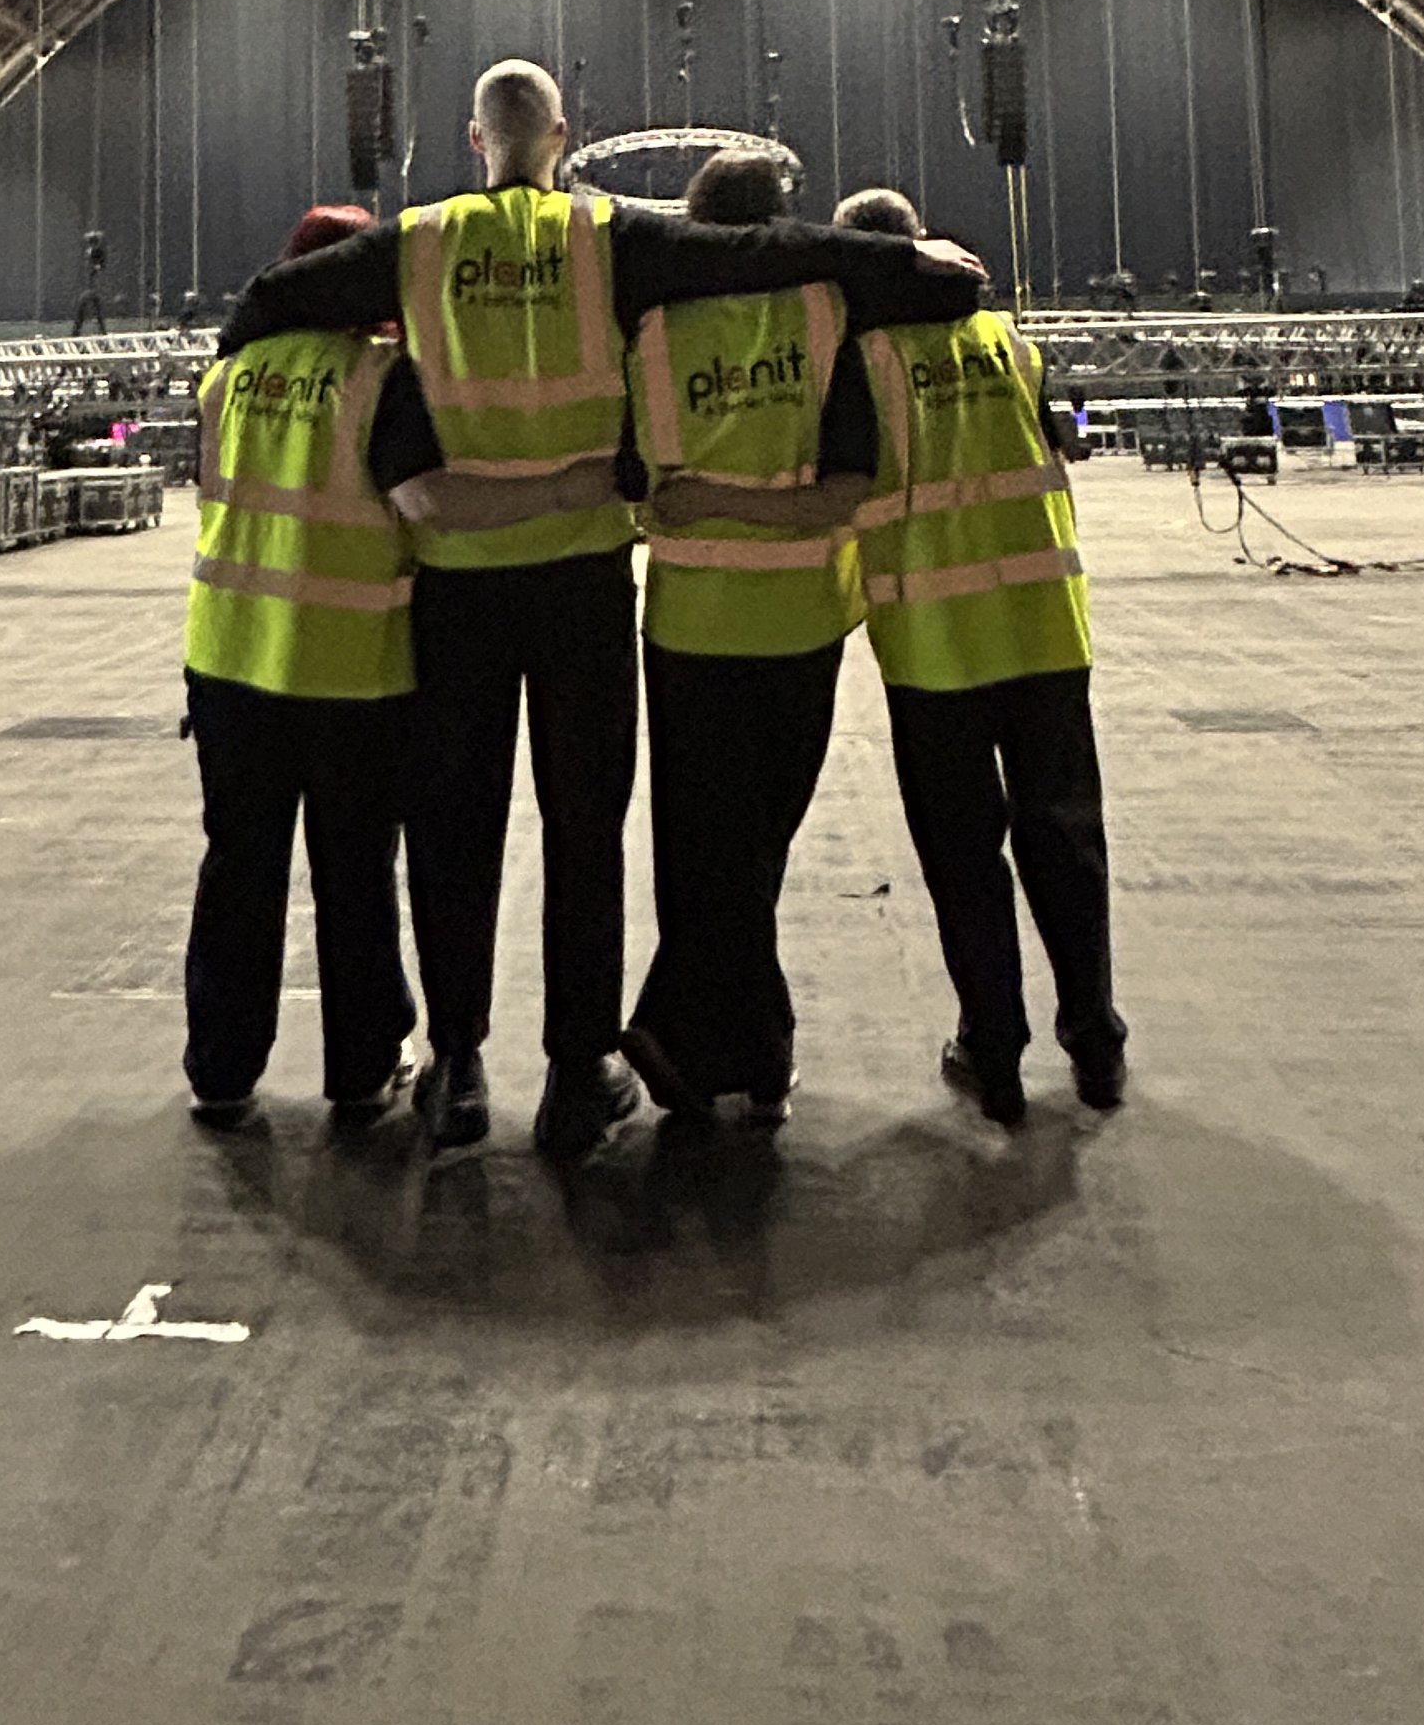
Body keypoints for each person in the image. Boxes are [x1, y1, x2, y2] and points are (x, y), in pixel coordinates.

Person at [216, 62, 984, 1159]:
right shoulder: (605, 235)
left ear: (471, 136)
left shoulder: (418, 244)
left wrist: (230, 363)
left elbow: (275, 298)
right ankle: (579, 1076)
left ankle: (459, 1067)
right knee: (586, 834)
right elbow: (761, 251)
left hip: (457, 582)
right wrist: (901, 256)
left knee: (453, 829)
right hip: (580, 579)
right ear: (563, 136)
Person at [834, 185, 1127, 1129]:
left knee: (965, 856)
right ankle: (1096, 1039)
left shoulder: (863, 360)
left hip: (935, 644)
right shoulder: (1008, 342)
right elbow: (1063, 442)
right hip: (1044, 624)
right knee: (1067, 839)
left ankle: (993, 1049)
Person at [622, 149, 876, 1127]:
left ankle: (718, 1047)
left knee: (700, 849)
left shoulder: (649, 332)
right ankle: (731, 1046)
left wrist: (704, 500)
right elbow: (844, 488)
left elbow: (635, 478)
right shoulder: (826, 320)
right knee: (754, 850)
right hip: (799, 624)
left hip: (686, 623)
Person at [178, 203, 429, 1132]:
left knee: (239, 869)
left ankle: (221, 1069)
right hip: (351, 670)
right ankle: (362, 1069)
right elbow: (419, 510)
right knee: (355, 874)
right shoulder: (381, 380)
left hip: (231, 661)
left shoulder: (228, 375)